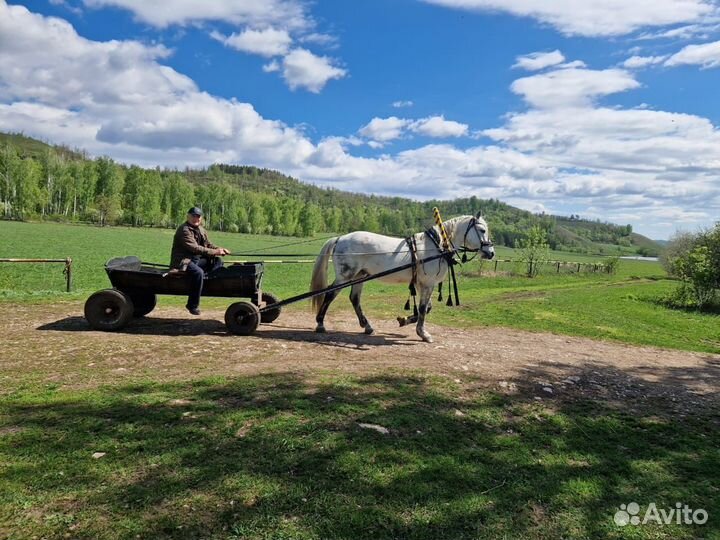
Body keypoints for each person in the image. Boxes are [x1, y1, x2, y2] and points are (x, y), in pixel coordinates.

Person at [170, 207, 230, 315]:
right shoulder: (184, 230)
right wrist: (215, 251)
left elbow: (208, 245)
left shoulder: (201, 229)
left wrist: (220, 249)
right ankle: (192, 305)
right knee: (198, 272)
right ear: (188, 216)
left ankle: (204, 285)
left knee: (217, 262)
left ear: (201, 218)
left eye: (198, 217)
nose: (196, 219)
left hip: (195, 259)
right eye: (193, 216)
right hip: (183, 261)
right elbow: (195, 248)